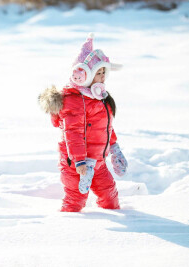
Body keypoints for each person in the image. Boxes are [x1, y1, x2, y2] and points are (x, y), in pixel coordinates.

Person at [38, 33, 128, 212]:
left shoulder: (100, 97)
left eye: (104, 72)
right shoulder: (74, 101)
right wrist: (79, 162)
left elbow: (106, 127)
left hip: (98, 162)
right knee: (75, 200)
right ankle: (70, 227)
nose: (102, 77)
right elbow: (73, 133)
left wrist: (115, 148)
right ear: (83, 75)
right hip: (76, 164)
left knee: (110, 198)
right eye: (98, 73)